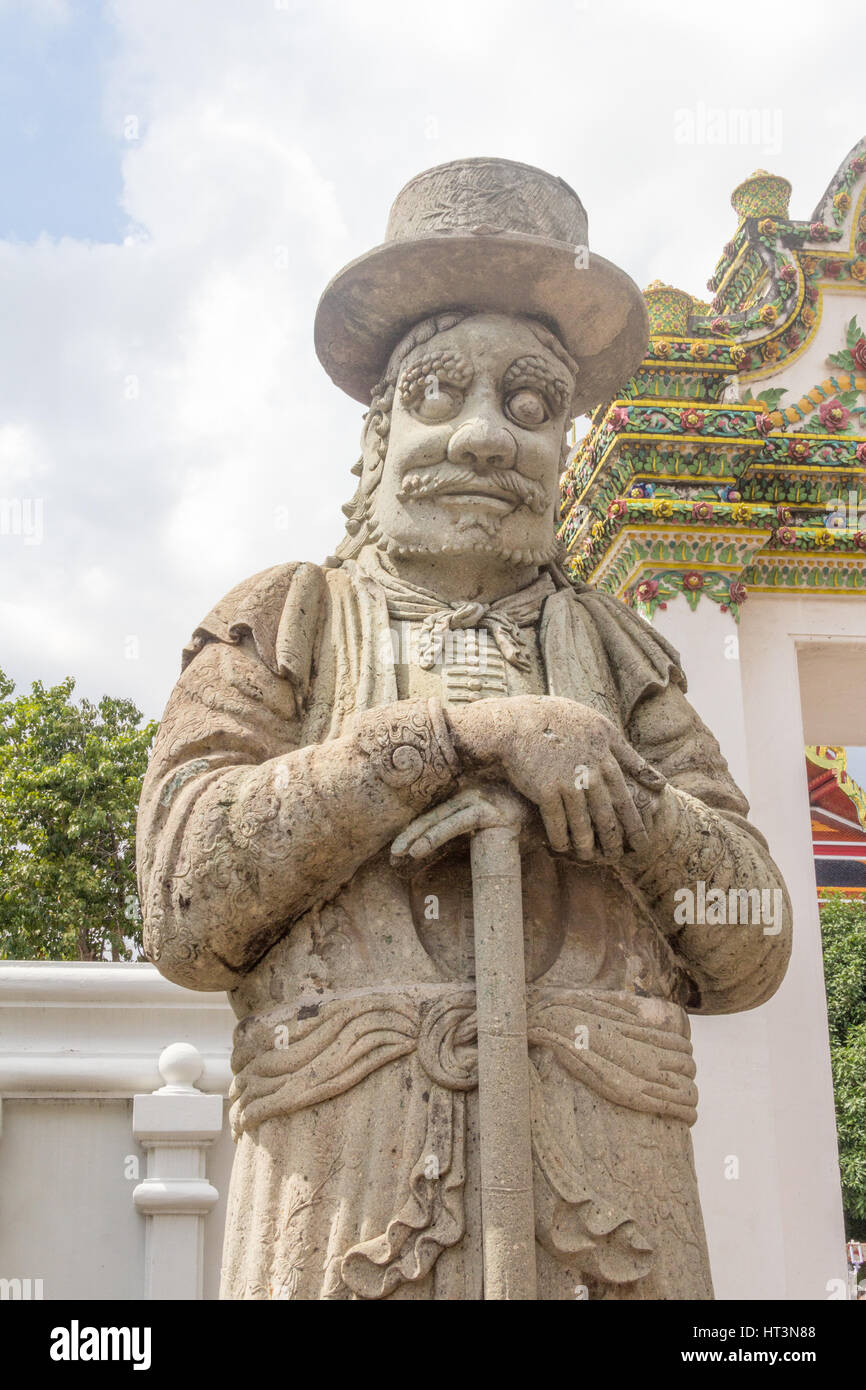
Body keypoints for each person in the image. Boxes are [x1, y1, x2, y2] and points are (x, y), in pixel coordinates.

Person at [137, 158, 791, 1299]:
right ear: (377, 434)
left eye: (534, 405)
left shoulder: (624, 656)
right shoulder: (286, 616)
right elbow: (186, 900)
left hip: (609, 1208)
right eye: (441, 393)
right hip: (341, 1194)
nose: (488, 437)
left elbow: (748, 939)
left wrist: (612, 788)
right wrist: (454, 736)